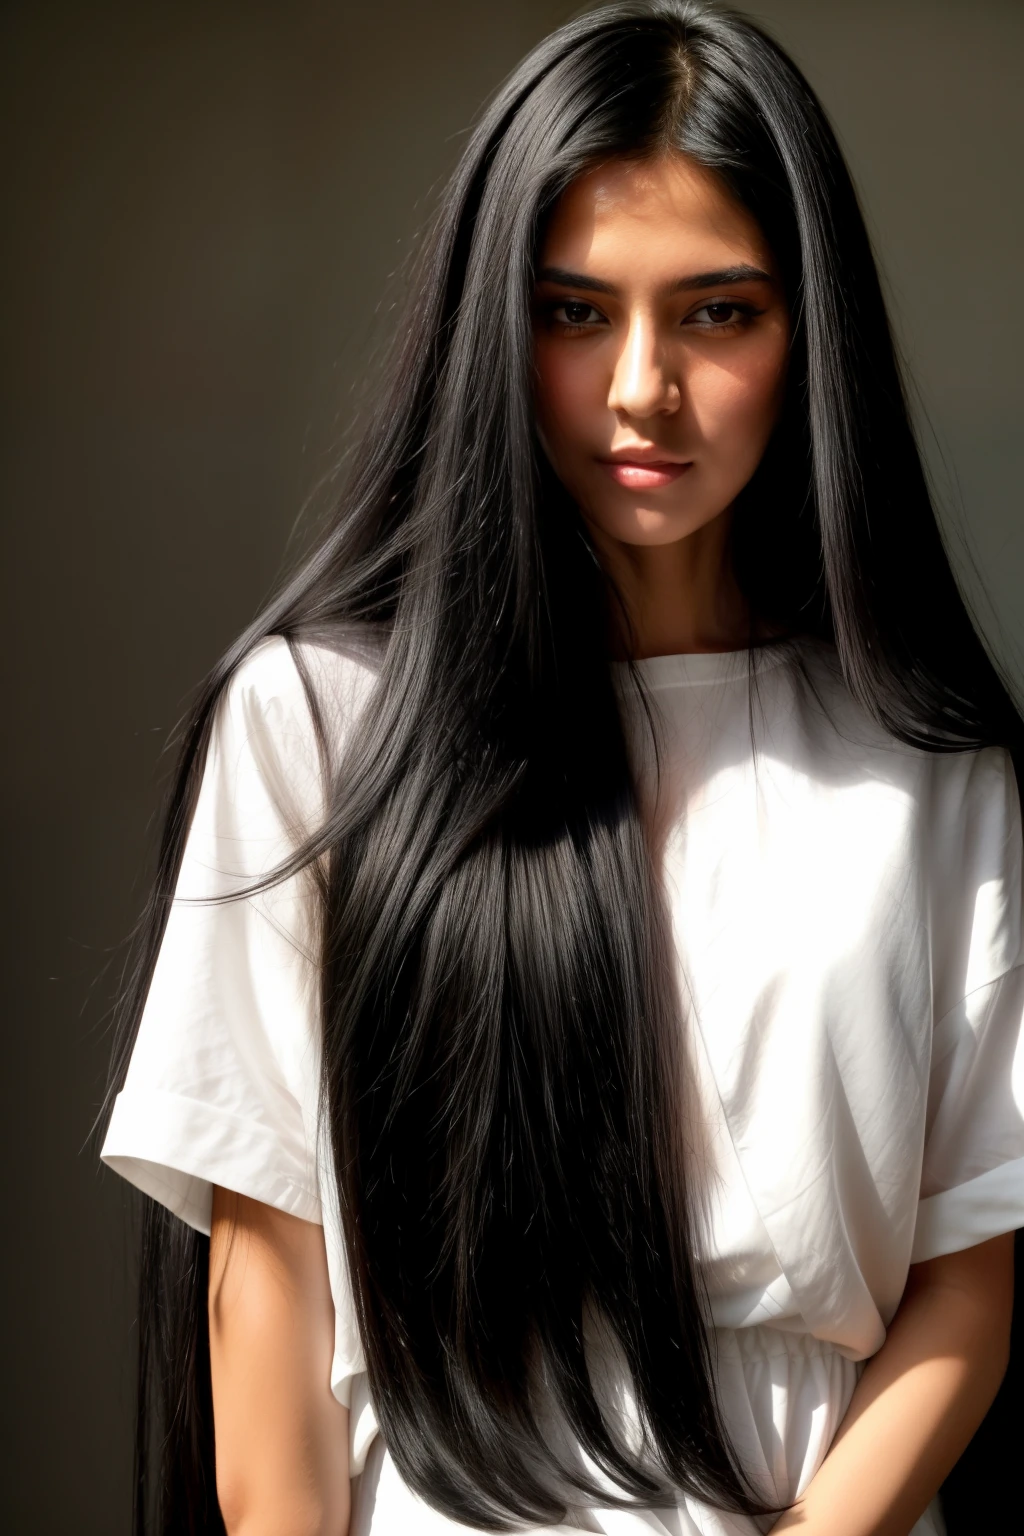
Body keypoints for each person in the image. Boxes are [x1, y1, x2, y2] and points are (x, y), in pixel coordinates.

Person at [99, 4, 1024, 1534]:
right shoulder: (319, 722)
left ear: (810, 336)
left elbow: (970, 1285)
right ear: (491, 325)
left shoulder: (927, 764)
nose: (640, 389)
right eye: (574, 312)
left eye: (718, 313)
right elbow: (267, 1283)